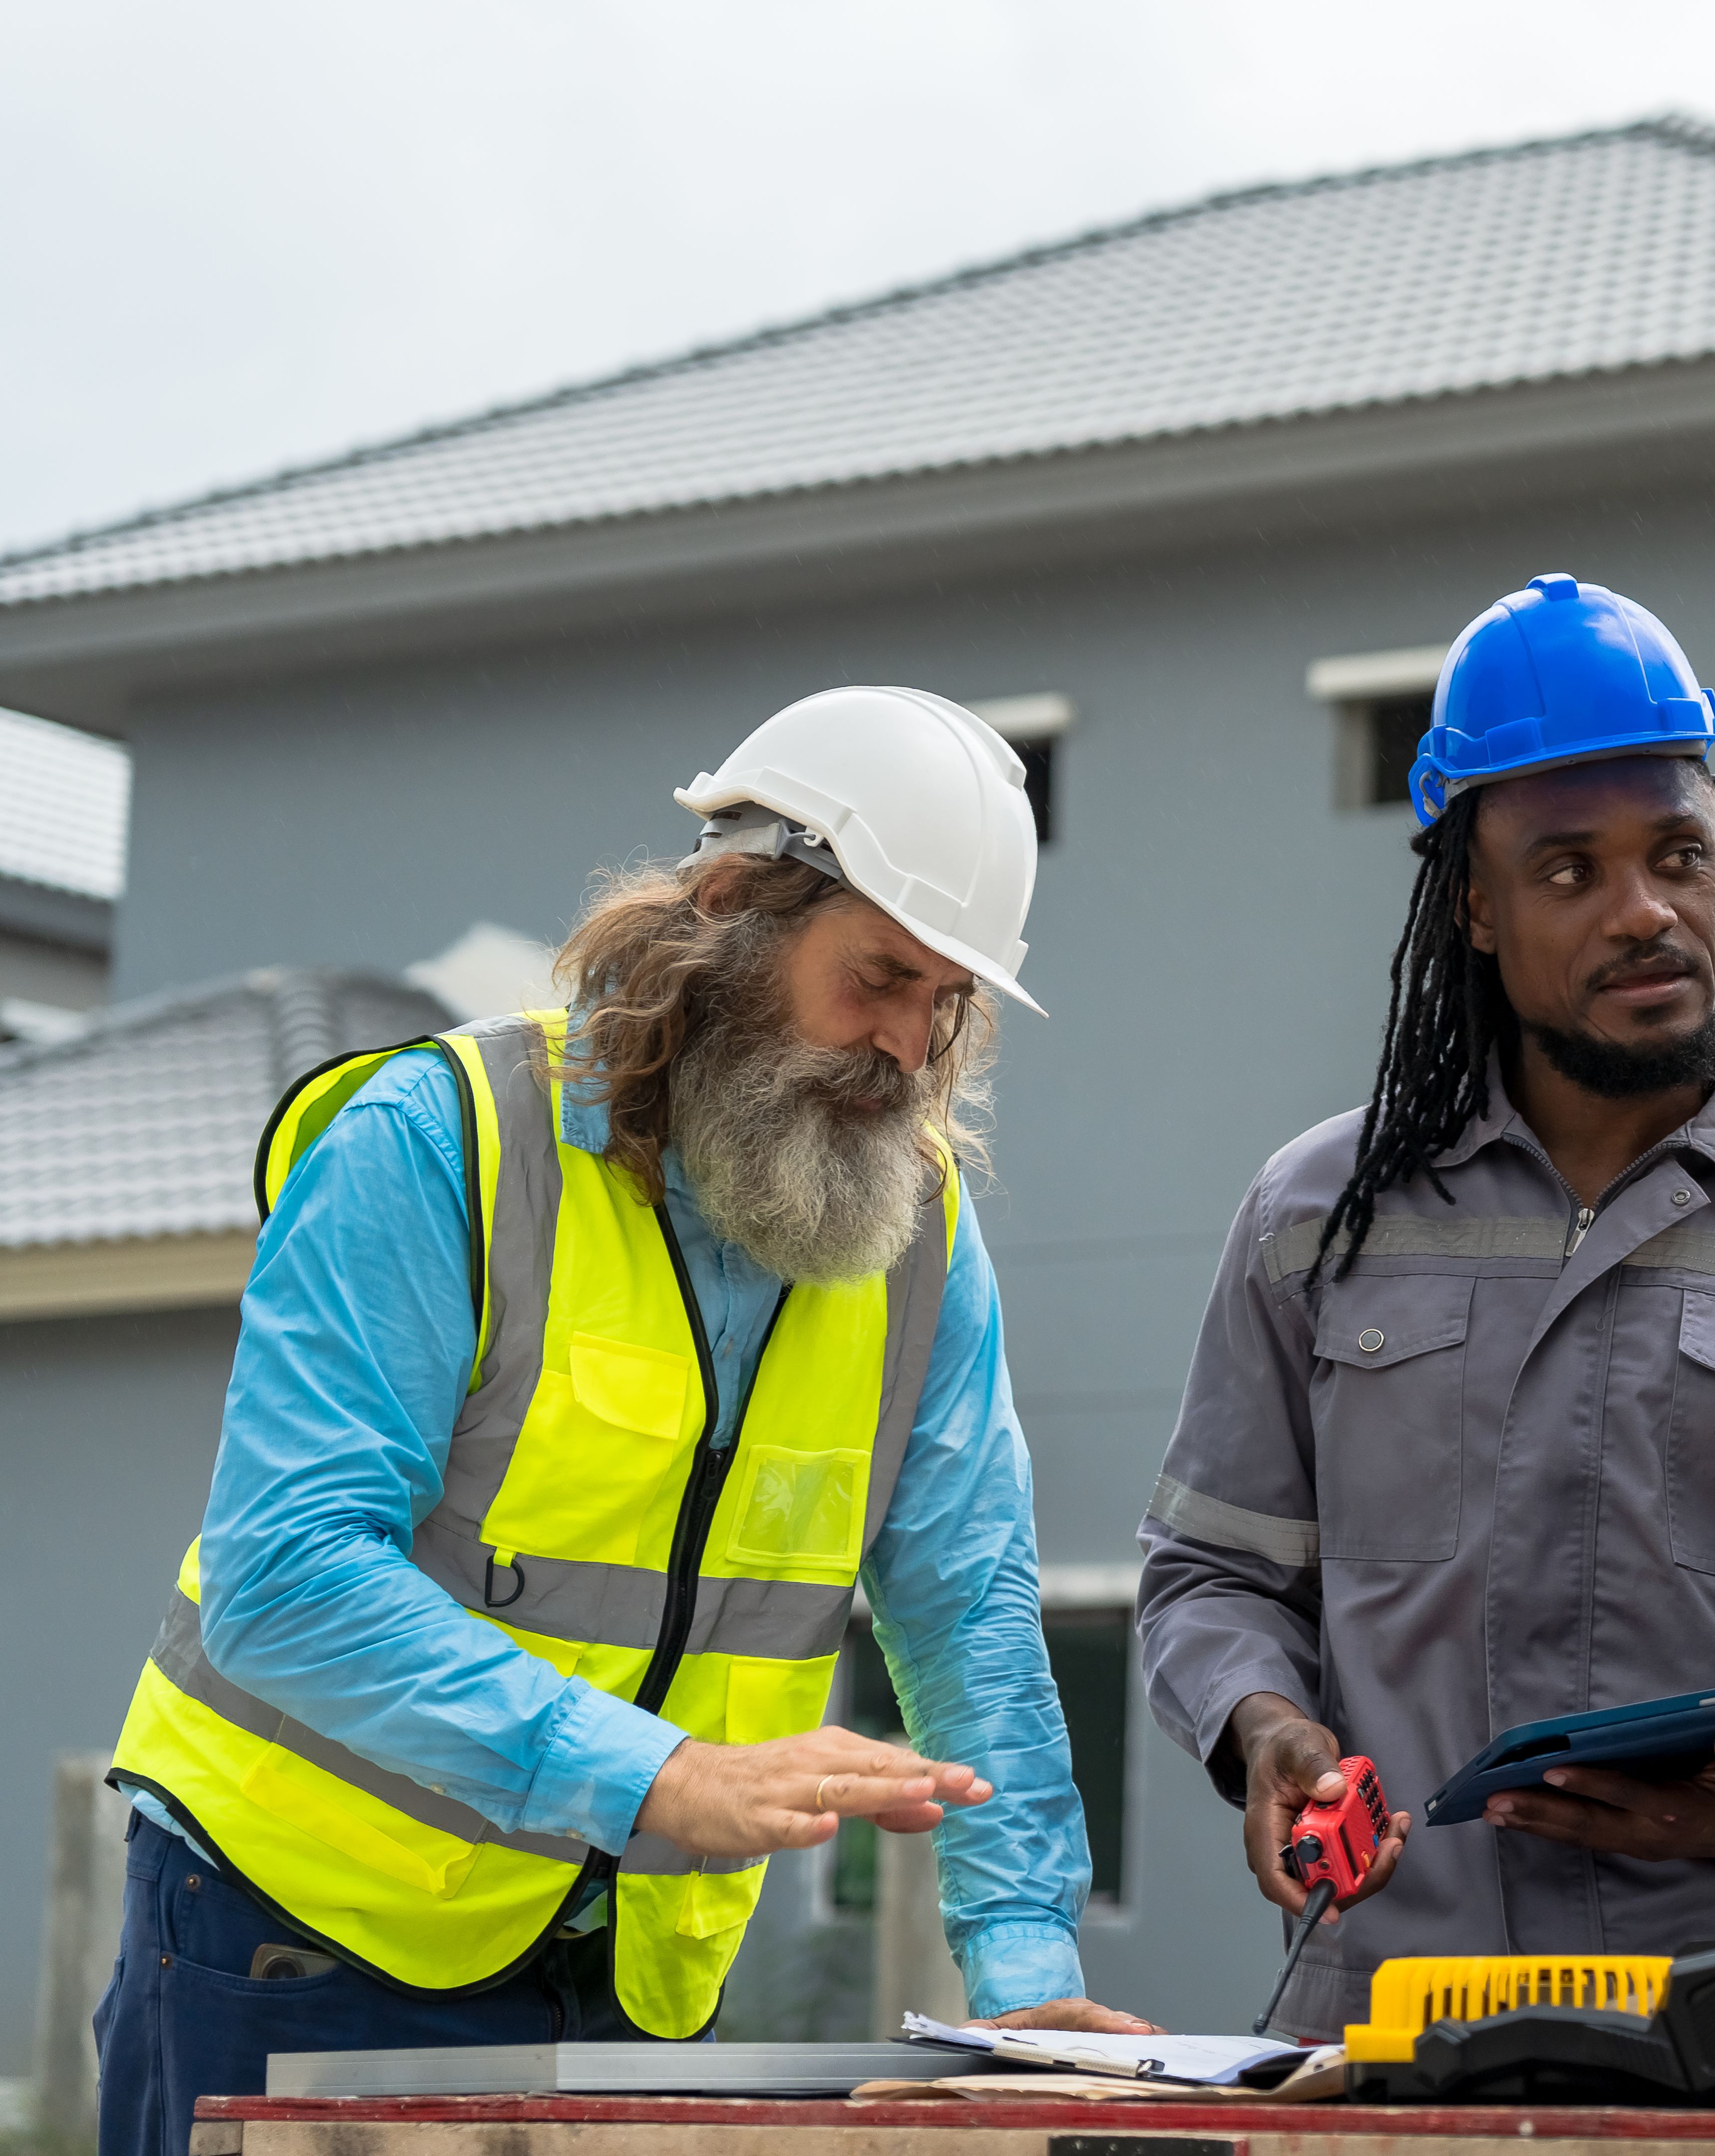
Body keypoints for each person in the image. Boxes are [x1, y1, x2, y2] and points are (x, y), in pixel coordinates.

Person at [97, 688, 1150, 2156]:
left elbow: (969, 1602)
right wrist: (665, 1779)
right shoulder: (434, 1146)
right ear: (731, 914)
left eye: (947, 1003)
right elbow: (287, 1575)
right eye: (878, 979)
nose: (909, 1051)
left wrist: (1027, 1978)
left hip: (627, 1995)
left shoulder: (918, 1236)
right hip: (297, 1944)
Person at [1138, 574, 1715, 2040]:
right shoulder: (1318, 1217)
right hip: (1387, 2032)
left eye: (1679, 857)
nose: (1645, 913)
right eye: (1569, 872)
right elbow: (1212, 1574)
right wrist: (1262, 1724)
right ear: (1477, 906)